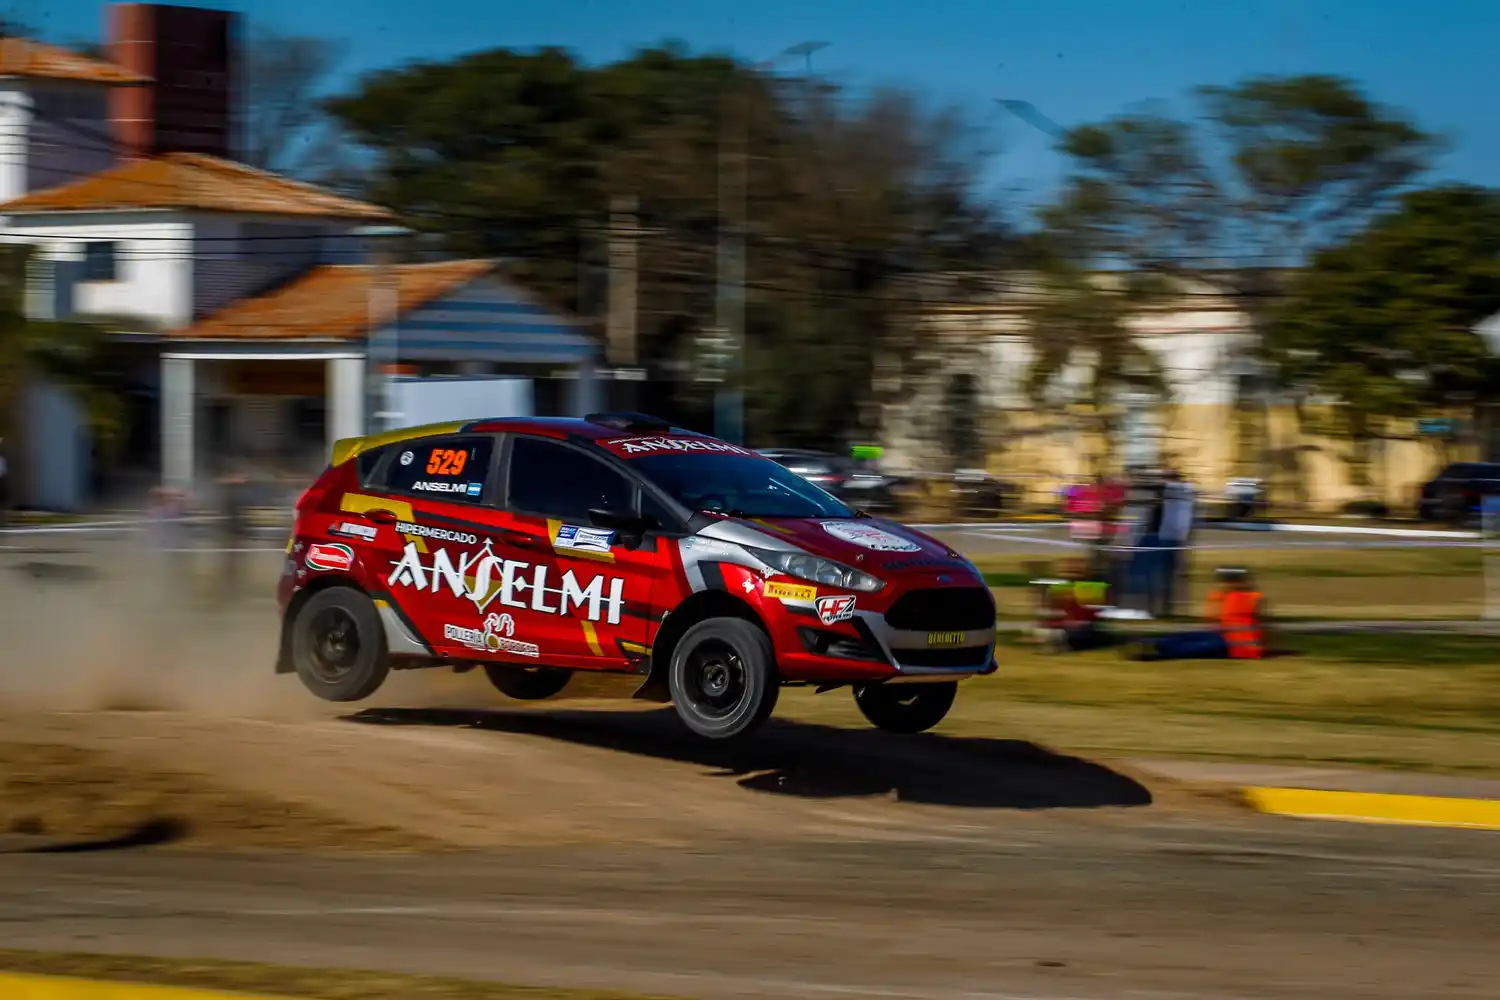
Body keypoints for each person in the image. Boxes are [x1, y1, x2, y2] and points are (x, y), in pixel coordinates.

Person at [1125, 566, 1269, 661]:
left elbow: (1257, 618)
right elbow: (1214, 621)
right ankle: (1152, 643)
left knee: (1193, 648)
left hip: (1238, 647)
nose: (1222, 584)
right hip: (1224, 636)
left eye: (1228, 581)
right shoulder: (1222, 596)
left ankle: (1153, 654)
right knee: (1185, 636)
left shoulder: (1252, 597)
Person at [1154, 469, 1197, 617]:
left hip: (1167, 537)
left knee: (1165, 573)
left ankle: (1165, 607)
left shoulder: (1172, 490)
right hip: (1176, 537)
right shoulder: (1186, 491)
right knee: (1169, 574)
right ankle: (1166, 607)